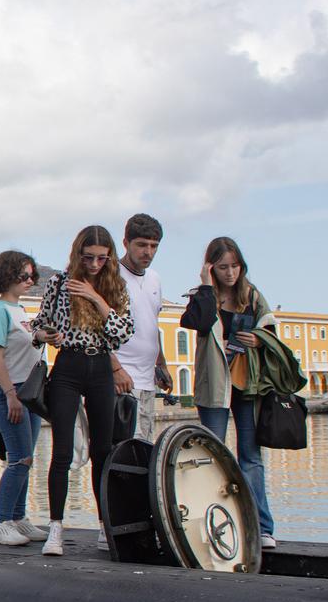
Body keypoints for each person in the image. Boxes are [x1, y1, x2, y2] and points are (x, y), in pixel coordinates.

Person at [30, 226, 134, 557]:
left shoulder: (115, 286)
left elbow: (122, 334)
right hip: (68, 367)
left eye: (101, 258)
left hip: (101, 368)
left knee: (103, 451)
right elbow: (39, 324)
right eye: (88, 257)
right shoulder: (59, 283)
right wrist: (46, 335)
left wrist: (97, 299)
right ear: (78, 254)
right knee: (62, 452)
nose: (94, 264)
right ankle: (56, 529)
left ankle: (105, 526)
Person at [180, 236, 279, 547]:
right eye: (223, 267)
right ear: (211, 267)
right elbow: (196, 322)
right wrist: (205, 285)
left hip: (247, 383)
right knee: (211, 457)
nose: (230, 273)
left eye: (235, 266)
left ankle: (262, 528)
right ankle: (215, 524)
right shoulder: (202, 295)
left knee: (251, 457)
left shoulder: (252, 296)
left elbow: (271, 330)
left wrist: (259, 339)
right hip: (214, 385)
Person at [0, 251, 44, 546]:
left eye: (33, 276)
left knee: (27, 460)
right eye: (24, 276)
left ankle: (18, 517)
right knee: (19, 459)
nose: (30, 281)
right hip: (9, 392)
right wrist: (10, 395)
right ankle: (0, 522)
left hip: (29, 393)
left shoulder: (22, 312)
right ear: (8, 277)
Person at [114, 214, 172, 442]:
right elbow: (96, 330)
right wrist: (115, 369)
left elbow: (152, 324)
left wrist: (162, 364)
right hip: (121, 380)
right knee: (123, 451)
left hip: (148, 379)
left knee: (145, 448)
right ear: (126, 243)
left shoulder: (155, 279)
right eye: (141, 245)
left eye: (154, 246)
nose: (148, 252)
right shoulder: (111, 276)